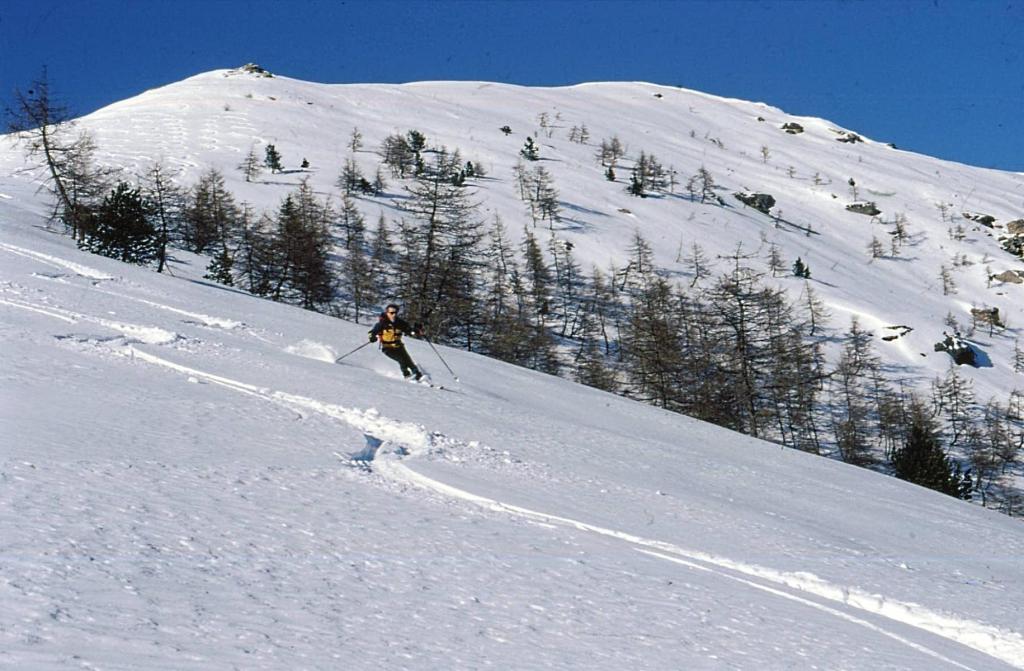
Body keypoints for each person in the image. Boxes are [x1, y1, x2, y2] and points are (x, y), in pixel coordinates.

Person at [368, 303, 424, 380]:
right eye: (391, 313)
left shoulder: (400, 323)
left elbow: (409, 331)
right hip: (388, 348)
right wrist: (372, 337)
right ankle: (407, 375)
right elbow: (372, 333)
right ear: (387, 312)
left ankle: (418, 375)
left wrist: (416, 330)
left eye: (395, 313)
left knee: (409, 361)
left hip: (399, 346)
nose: (393, 315)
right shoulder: (382, 323)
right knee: (401, 360)